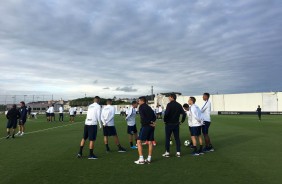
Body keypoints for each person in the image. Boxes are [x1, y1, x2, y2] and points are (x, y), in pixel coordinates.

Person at [162, 94, 186, 158]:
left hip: (169, 124)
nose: (168, 98)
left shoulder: (169, 105)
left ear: (172, 97)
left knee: (167, 138)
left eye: (169, 97)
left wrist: (165, 120)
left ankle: (167, 152)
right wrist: (182, 121)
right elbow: (184, 114)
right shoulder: (179, 105)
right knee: (177, 138)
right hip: (176, 124)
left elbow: (166, 114)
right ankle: (178, 152)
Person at [134, 96, 156, 165]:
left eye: (139, 100)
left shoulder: (141, 107)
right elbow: (154, 117)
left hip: (146, 126)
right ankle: (149, 159)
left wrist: (149, 123)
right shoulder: (149, 107)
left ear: (142, 101)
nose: (138, 102)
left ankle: (141, 159)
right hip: (151, 127)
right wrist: (152, 123)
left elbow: (143, 118)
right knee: (150, 142)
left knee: (138, 141)